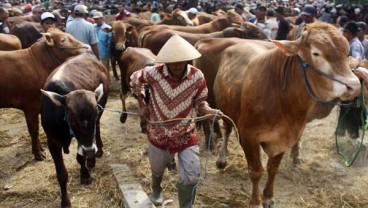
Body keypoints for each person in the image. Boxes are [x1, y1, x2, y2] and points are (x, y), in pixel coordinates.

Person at [130, 35, 223, 207]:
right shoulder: (153, 73)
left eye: (181, 61)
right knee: (157, 168)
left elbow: (200, 101)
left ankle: (186, 205)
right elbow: (135, 79)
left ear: (187, 59)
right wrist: (142, 103)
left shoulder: (197, 76)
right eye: (173, 62)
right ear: (166, 61)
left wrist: (207, 110)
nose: (178, 65)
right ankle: (156, 188)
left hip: (185, 132)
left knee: (192, 175)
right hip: (158, 132)